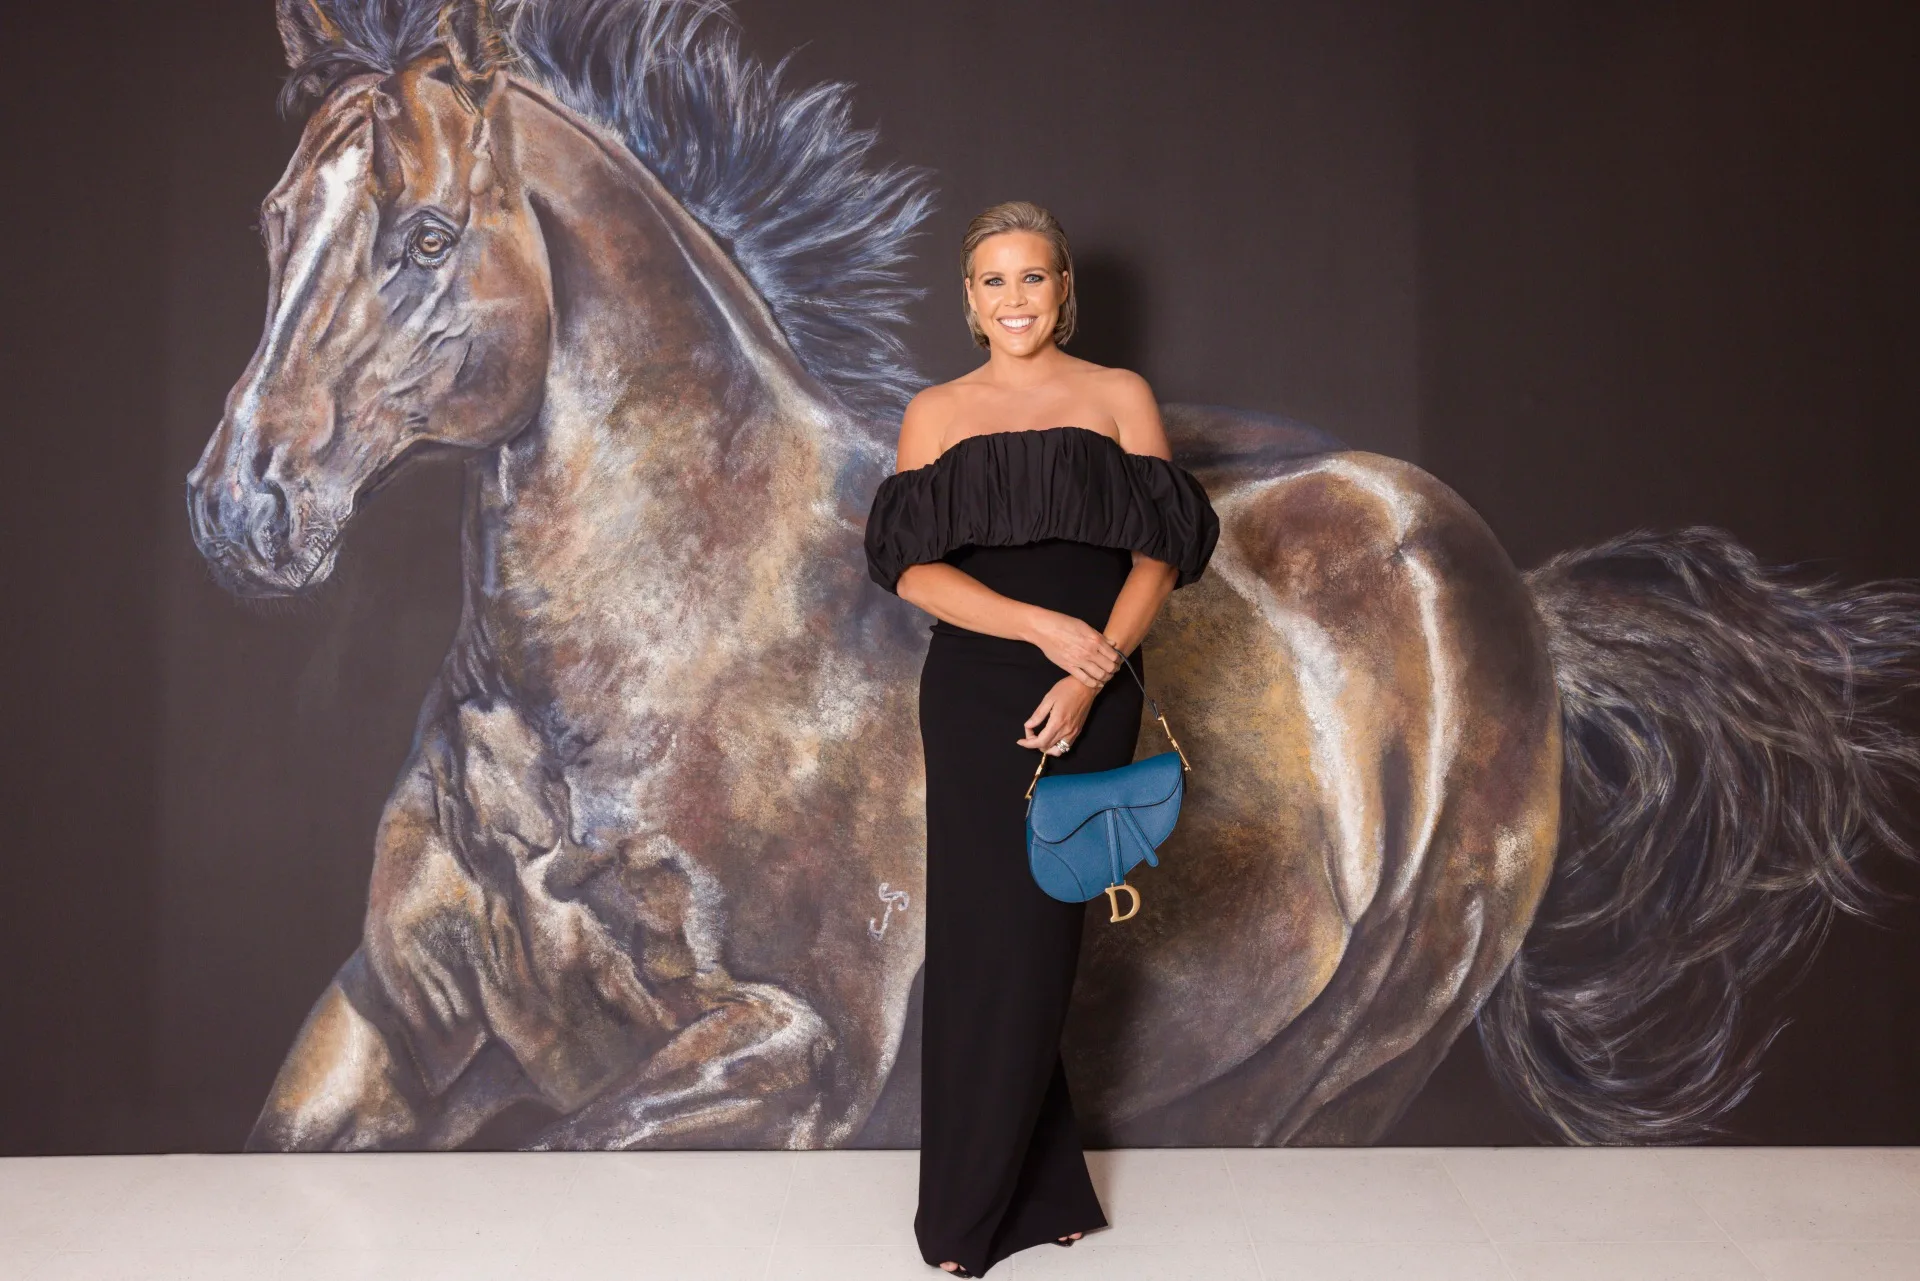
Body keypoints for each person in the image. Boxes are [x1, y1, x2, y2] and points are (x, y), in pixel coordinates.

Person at [863, 201, 1220, 1276]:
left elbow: (1160, 554)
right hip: (977, 687)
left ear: (1063, 289)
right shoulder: (935, 411)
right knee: (985, 935)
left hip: (1096, 682)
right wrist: (1037, 628)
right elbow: (911, 569)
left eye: (1032, 277)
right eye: (993, 281)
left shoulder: (1119, 396)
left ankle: (1007, 1193)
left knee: (1038, 936)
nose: (1013, 298)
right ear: (969, 301)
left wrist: (1090, 667)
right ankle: (995, 1204)